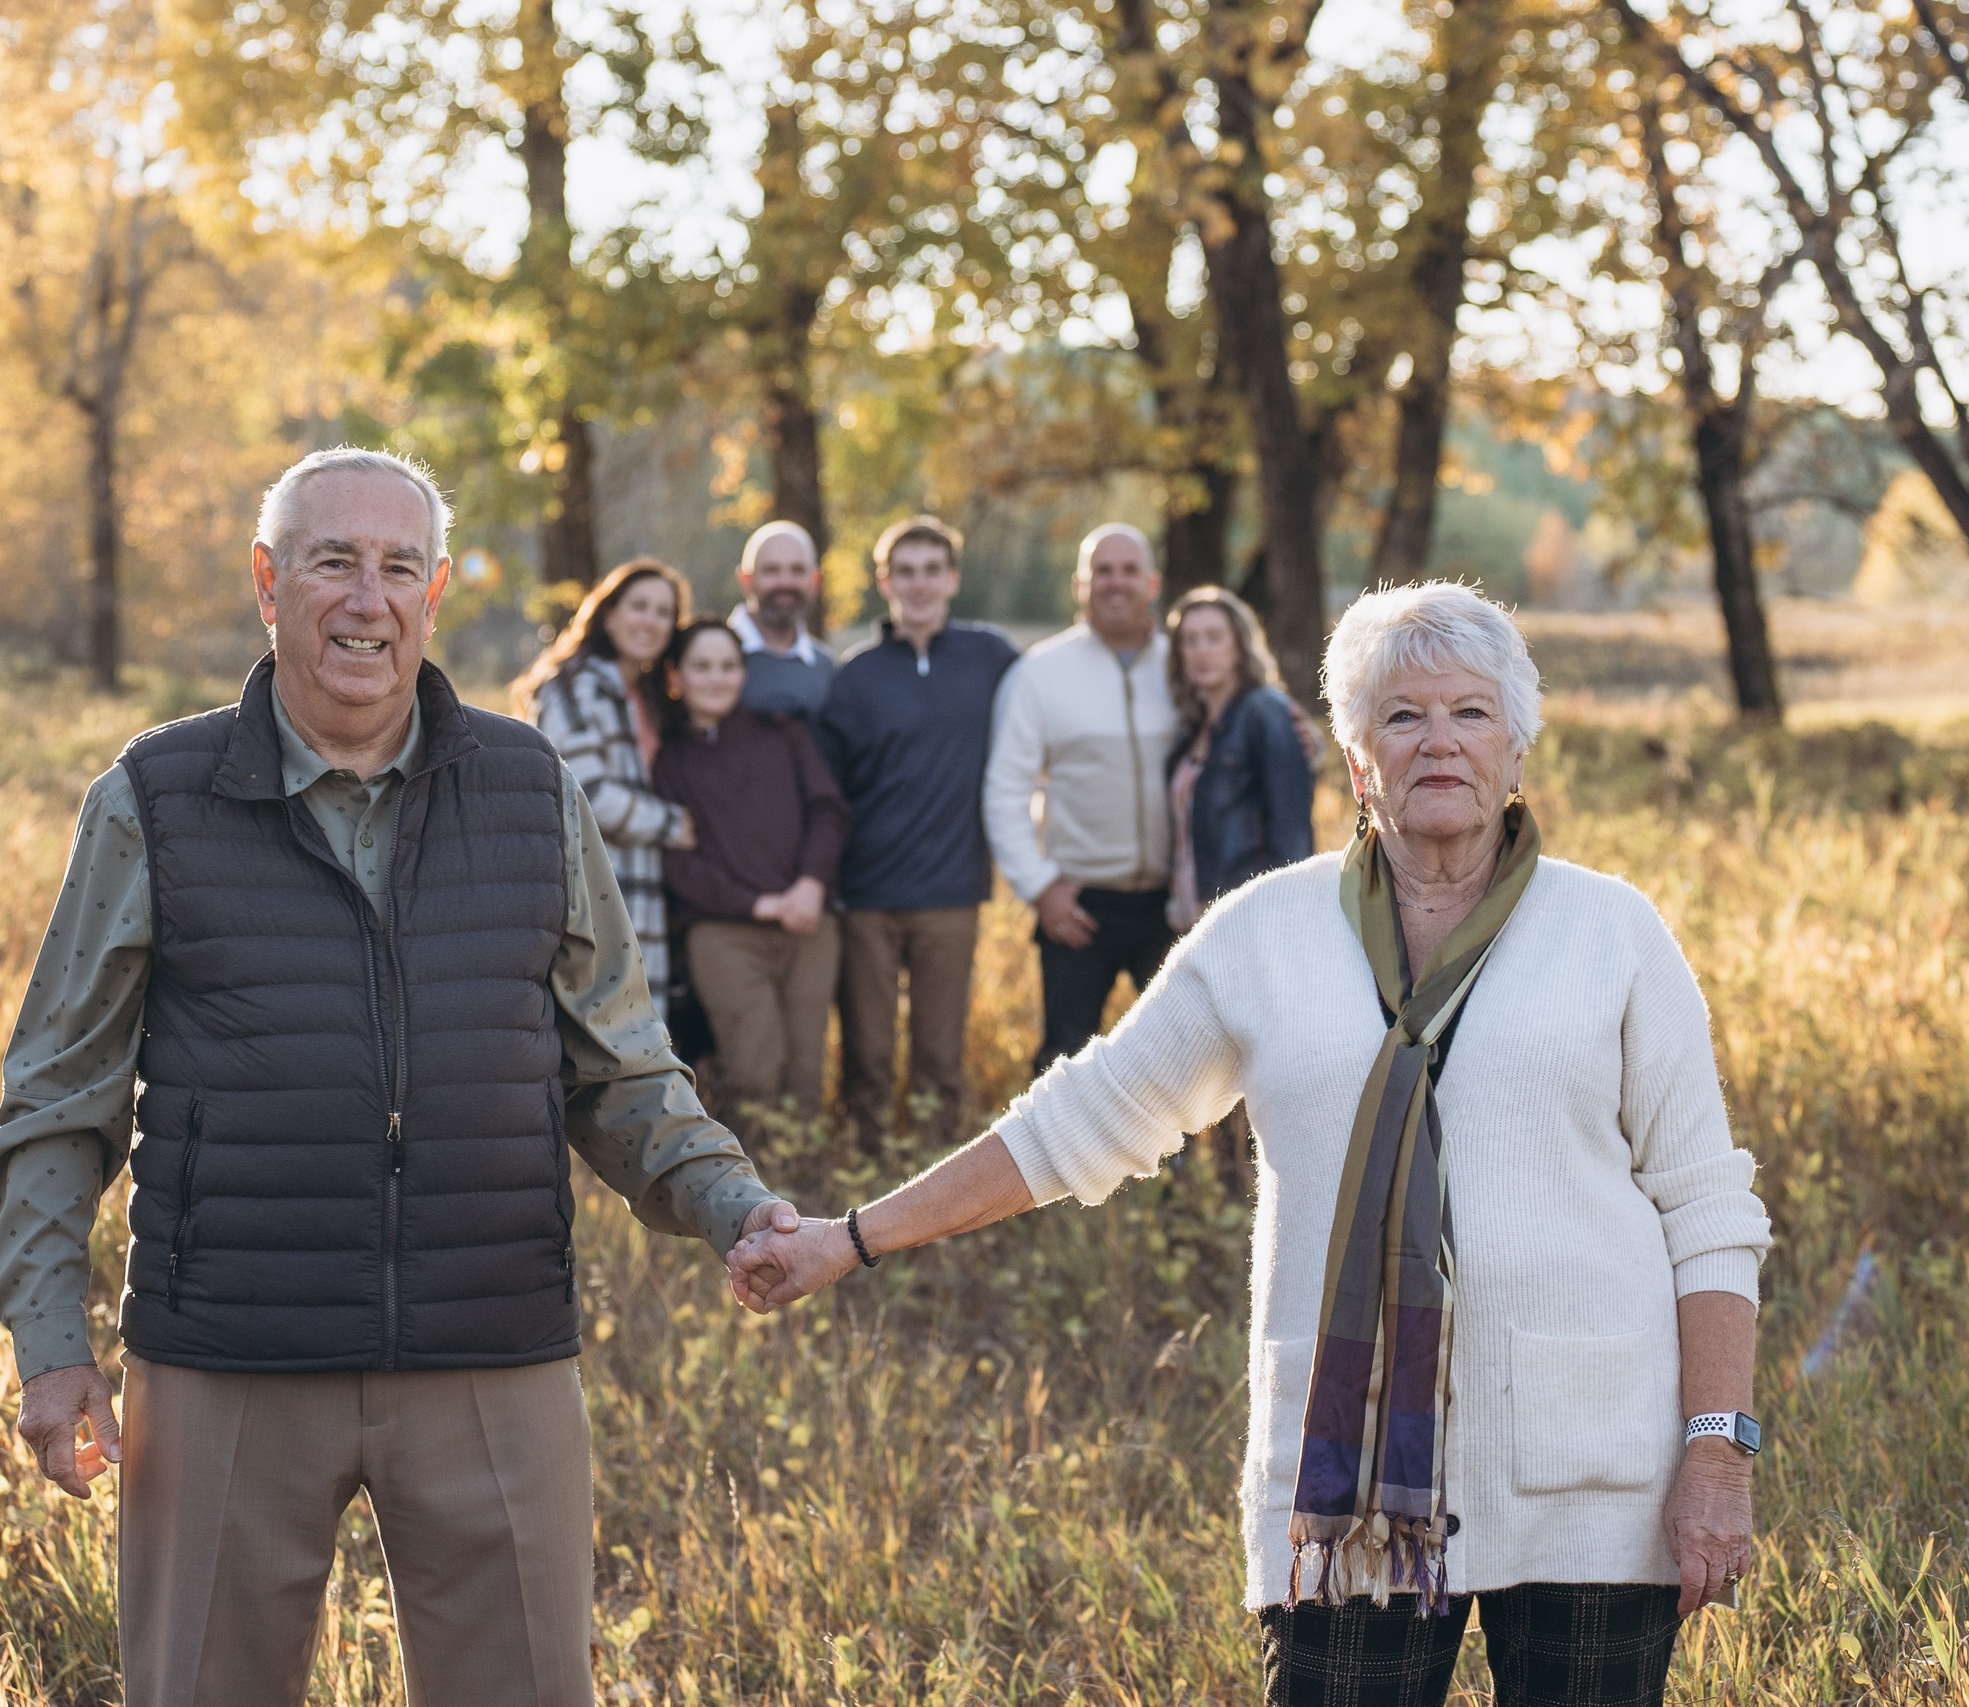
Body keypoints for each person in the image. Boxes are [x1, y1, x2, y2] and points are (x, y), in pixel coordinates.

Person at [732, 581, 1771, 1707]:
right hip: (1346, 1495)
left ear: (1517, 749)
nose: (1438, 742)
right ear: (1354, 757)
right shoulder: (1264, 935)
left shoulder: (1608, 932)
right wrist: (852, 1238)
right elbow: (1078, 1122)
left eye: (1470, 714)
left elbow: (1705, 1211)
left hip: (1592, 1467)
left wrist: (1714, 1451)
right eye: (1401, 715)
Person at [0, 447, 800, 1707]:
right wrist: (51, 1346)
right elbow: (57, 1097)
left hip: (491, 1346)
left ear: (438, 590)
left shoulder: (532, 789)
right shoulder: (154, 796)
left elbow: (623, 1072)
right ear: (268, 582)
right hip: (228, 1358)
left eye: (398, 567)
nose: (367, 600)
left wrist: (736, 1204)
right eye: (332, 563)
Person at [814, 515, 1020, 1151]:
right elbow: (828, 792)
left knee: (939, 1055)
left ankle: (937, 1183)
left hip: (951, 893)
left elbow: (1062, 703)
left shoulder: (992, 658)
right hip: (866, 896)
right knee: (868, 1058)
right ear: (885, 582)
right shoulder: (854, 676)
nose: (920, 584)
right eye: (906, 571)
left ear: (953, 578)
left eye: (933, 570)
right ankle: (865, 1176)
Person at [981, 522, 1181, 1069]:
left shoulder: (1184, 666)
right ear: (1080, 585)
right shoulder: (1039, 674)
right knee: (1064, 1064)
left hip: (1172, 905)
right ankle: (1061, 1160)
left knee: (1182, 1063)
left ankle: (1184, 1160)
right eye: (1102, 571)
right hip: (1078, 905)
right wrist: (1041, 887)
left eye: (1128, 570)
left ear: (1152, 582)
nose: (1115, 582)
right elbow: (1004, 792)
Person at [652, 619, 850, 1129]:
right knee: (754, 1069)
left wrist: (810, 885)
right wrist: (756, 904)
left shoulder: (783, 735)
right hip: (724, 935)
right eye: (702, 666)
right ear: (676, 675)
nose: (716, 678)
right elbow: (677, 861)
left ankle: (807, 1188)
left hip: (808, 923)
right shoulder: (669, 759)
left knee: (807, 1068)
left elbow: (828, 811)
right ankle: (754, 1198)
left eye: (728, 666)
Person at [518, 559, 695, 1007]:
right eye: (639, 606)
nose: (651, 621)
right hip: (595, 892)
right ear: (608, 612)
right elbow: (587, 795)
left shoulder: (654, 696)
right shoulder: (572, 687)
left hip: (652, 890)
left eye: (664, 612)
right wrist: (679, 826)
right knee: (605, 1024)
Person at [1165, 587, 1315, 932]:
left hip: (1248, 920)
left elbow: (1292, 833)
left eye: (1214, 638)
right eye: (1190, 641)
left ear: (1239, 645)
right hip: (1192, 921)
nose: (1202, 651)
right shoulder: (1190, 728)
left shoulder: (1266, 712)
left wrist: (1284, 917)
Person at [728, 519, 837, 719]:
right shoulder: (713, 658)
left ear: (815, 581)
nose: (785, 582)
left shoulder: (827, 668)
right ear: (746, 580)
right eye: (771, 570)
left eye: (797, 570)